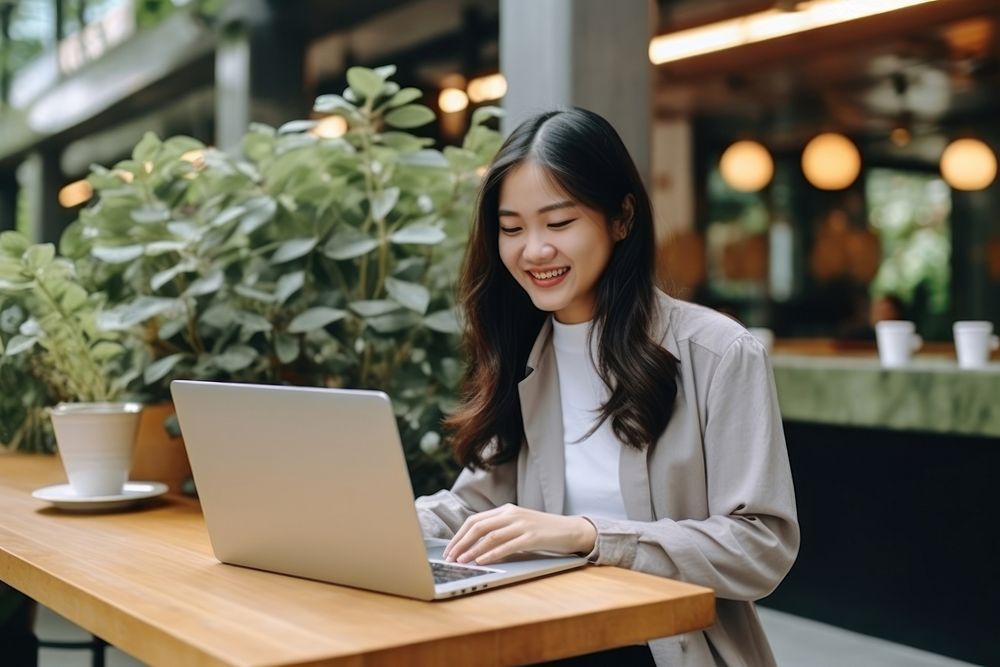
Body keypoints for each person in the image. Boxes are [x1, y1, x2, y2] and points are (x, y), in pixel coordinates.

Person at [415, 108, 799, 666]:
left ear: (621, 218)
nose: (534, 250)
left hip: (664, 650)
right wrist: (374, 524)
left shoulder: (718, 353)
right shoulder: (523, 352)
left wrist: (588, 535)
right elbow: (475, 509)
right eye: (513, 228)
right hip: (545, 637)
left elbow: (761, 549)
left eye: (559, 223)